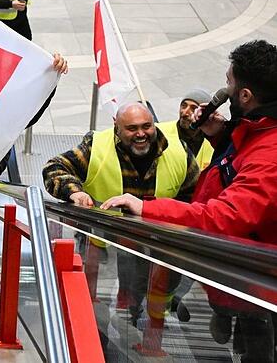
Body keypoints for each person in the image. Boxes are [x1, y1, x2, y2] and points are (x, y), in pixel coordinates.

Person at [102, 40, 277, 361]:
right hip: (237, 282)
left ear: (245, 96)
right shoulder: (258, 133)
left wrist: (146, 207)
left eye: (229, 83)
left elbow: (225, 217)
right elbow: (240, 166)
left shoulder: (270, 155)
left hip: (258, 288)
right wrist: (222, 135)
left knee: (257, 349)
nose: (224, 90)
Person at [43, 102, 200, 324]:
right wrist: (74, 192)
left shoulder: (178, 151)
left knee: (148, 294)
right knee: (105, 300)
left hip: (155, 244)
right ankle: (101, 326)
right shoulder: (97, 146)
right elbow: (55, 167)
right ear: (116, 126)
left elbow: (195, 196)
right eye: (132, 128)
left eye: (147, 126)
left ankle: (149, 329)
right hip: (103, 246)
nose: (141, 134)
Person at [156, 90, 214, 169]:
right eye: (183, 105)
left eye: (193, 108)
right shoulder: (159, 131)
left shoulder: (213, 142)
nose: (185, 112)